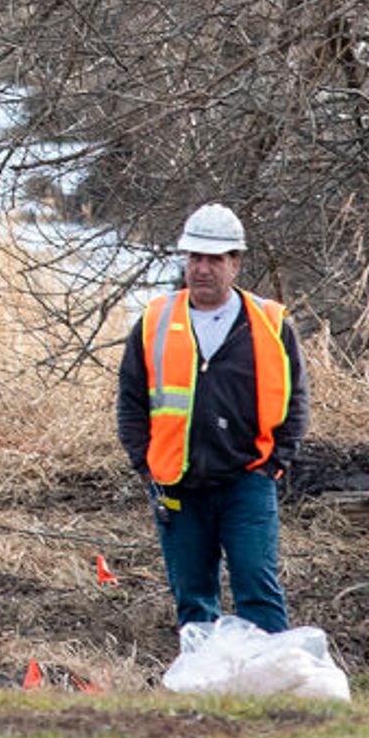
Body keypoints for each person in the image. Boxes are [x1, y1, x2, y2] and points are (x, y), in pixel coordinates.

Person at [114, 204, 307, 638]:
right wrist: (144, 464)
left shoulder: (272, 324)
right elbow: (130, 400)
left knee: (257, 589)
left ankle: (273, 685)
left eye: (214, 259)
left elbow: (296, 402)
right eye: (194, 258)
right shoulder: (153, 322)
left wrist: (276, 462)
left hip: (248, 483)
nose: (202, 269)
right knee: (193, 597)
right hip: (177, 484)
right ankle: (204, 688)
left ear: (236, 263)